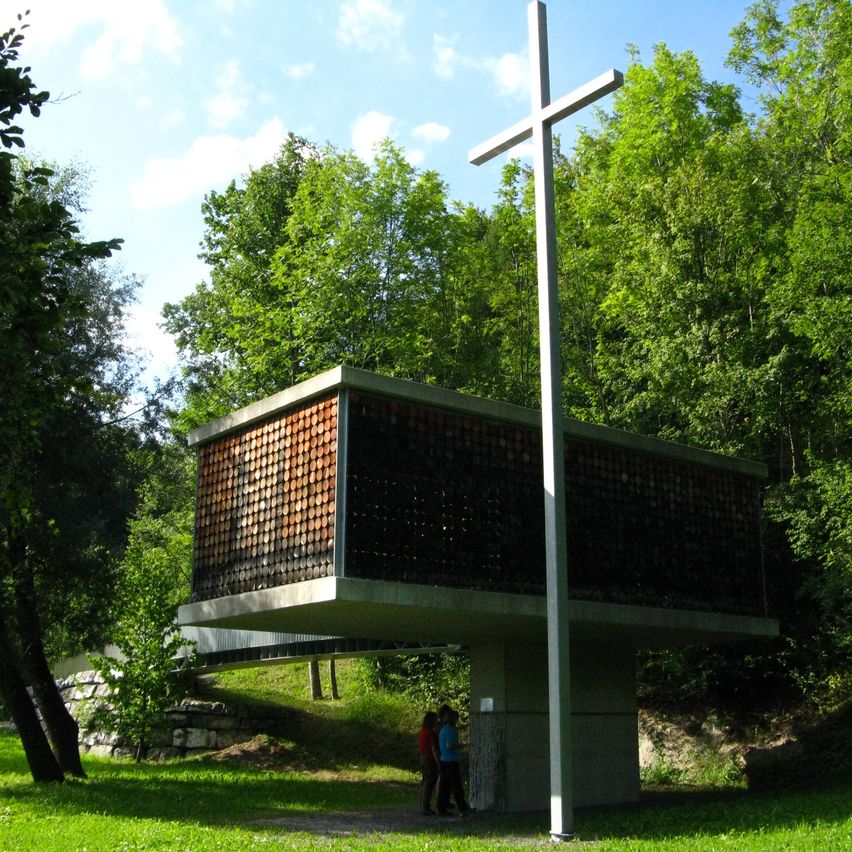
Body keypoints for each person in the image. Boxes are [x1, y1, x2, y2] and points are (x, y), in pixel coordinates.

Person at [436, 708, 469, 816]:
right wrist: (462, 745)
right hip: (451, 761)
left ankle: (441, 808)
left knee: (444, 786)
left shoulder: (443, 730)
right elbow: (449, 745)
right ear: (453, 719)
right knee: (456, 785)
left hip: (443, 760)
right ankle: (461, 807)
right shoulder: (451, 730)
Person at [417, 710, 440, 815]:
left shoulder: (422, 731)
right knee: (430, 782)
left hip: (423, 757)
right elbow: (434, 749)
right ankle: (425, 806)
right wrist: (438, 762)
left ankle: (422, 804)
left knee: (425, 781)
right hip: (429, 758)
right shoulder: (430, 732)